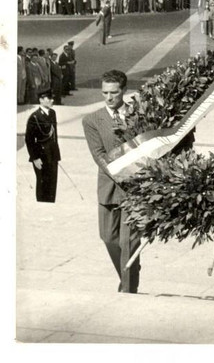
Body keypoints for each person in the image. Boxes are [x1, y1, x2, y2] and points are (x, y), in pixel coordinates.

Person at [81, 69, 142, 293]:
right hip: (109, 187)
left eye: (114, 93)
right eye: (105, 92)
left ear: (124, 91)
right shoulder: (92, 120)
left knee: (129, 243)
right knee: (108, 237)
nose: (109, 97)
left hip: (135, 190)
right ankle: (130, 272)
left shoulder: (138, 115)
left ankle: (128, 290)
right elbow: (98, 154)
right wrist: (119, 174)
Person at [25, 88, 60, 203]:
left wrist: (56, 153)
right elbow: (29, 139)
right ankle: (42, 205)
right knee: (43, 182)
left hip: (53, 154)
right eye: (49, 98)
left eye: (52, 98)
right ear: (41, 100)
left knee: (52, 183)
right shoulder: (34, 117)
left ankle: (51, 204)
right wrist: (35, 158)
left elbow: (54, 135)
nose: (52, 100)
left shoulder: (52, 113)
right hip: (41, 155)